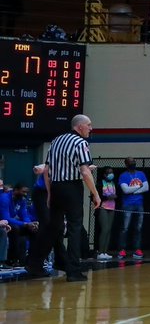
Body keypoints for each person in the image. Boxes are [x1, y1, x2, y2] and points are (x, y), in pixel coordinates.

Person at [25, 115, 98, 281]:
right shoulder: (81, 143)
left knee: (53, 227)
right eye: (89, 125)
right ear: (80, 127)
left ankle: (34, 263)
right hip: (71, 187)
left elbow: (47, 170)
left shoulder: (56, 141)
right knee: (75, 227)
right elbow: (85, 172)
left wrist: (50, 193)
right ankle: (73, 271)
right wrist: (95, 193)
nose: (91, 128)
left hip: (56, 187)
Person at [117, 158, 148, 260]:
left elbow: (146, 187)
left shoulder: (141, 174)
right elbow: (125, 190)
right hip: (127, 204)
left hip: (139, 204)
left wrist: (134, 191)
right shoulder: (123, 176)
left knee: (138, 228)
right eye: (130, 163)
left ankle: (137, 250)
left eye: (134, 162)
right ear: (126, 164)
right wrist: (139, 186)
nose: (133, 164)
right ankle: (122, 250)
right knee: (125, 228)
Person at [95, 167, 118, 261]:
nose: (111, 174)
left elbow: (115, 194)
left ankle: (105, 252)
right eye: (109, 173)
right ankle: (100, 252)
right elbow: (98, 196)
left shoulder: (113, 183)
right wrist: (107, 197)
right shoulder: (100, 183)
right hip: (103, 207)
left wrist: (114, 196)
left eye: (112, 172)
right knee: (104, 229)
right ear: (104, 174)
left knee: (109, 230)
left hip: (112, 207)